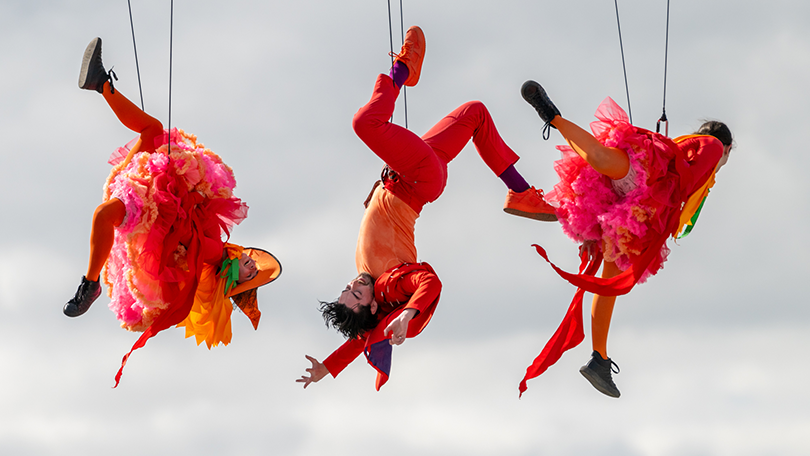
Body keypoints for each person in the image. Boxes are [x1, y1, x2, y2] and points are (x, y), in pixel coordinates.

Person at [297, 26, 558, 390]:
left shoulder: (368, 280)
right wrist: (406, 312)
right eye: (357, 294)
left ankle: (522, 193)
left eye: (348, 287)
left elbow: (360, 337)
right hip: (418, 179)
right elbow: (429, 282)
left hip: (407, 176)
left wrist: (329, 366)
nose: (355, 283)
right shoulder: (389, 285)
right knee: (365, 124)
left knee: (475, 113)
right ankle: (403, 70)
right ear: (375, 306)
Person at [64, 37, 282, 386]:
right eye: (256, 264)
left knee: (104, 215)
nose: (254, 265)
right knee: (152, 131)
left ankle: (89, 285)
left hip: (153, 220)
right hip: (163, 192)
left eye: (251, 276)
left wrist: (179, 251)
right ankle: (101, 83)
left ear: (235, 283)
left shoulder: (206, 274)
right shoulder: (220, 244)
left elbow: (173, 268)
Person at [517, 80, 733, 398]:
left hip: (629, 197)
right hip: (647, 191)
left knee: (600, 159)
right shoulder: (713, 147)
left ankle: (599, 358)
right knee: (609, 282)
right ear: (727, 147)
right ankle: (598, 356)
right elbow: (683, 183)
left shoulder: (694, 146)